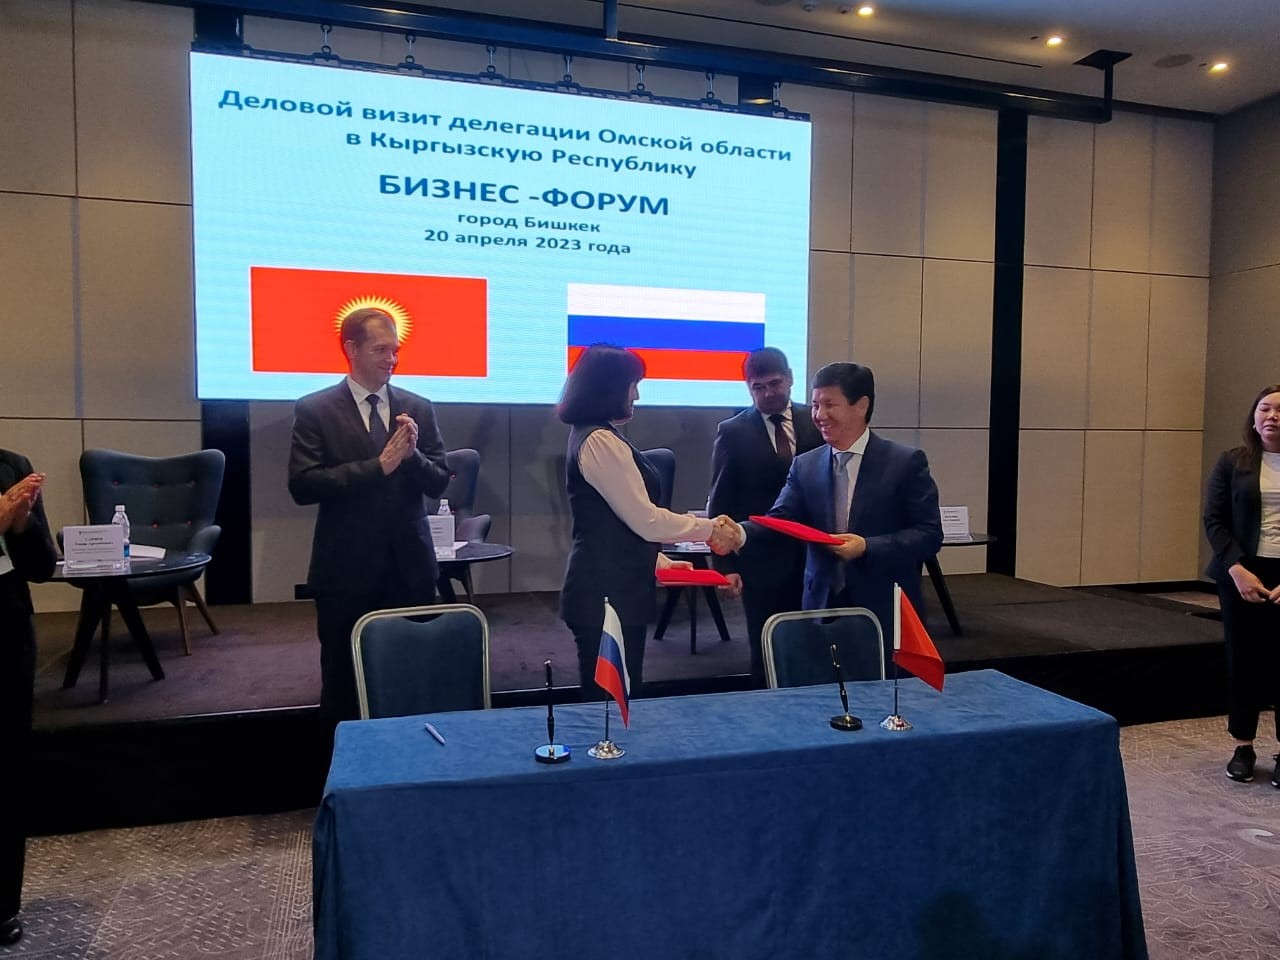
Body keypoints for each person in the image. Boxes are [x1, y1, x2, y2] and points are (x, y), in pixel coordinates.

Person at [288, 307, 451, 729]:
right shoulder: (316, 409)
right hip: (345, 571)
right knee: (344, 683)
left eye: (395, 350)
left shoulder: (418, 408)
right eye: (381, 350)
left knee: (413, 678)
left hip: (411, 569)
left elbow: (439, 481)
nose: (391, 359)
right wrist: (377, 467)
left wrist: (410, 456)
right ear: (351, 349)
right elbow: (302, 485)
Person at [716, 362, 942, 655]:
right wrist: (740, 533)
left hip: (883, 608)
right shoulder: (805, 465)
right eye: (815, 405)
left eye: (829, 405)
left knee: (882, 683)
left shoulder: (905, 462)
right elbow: (780, 520)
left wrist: (867, 546)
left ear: (861, 405)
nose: (819, 415)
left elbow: (929, 534)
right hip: (820, 606)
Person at [557, 344, 737, 696]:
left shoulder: (597, 435)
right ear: (610, 387)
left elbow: (615, 523)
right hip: (605, 596)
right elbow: (646, 520)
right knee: (610, 706)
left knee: (618, 700)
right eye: (632, 384)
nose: (636, 395)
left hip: (612, 591)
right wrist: (709, 528)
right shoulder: (599, 441)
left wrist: (659, 562)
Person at [708, 347, 823, 686]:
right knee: (767, 647)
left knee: (814, 645)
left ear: (790, 378)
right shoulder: (733, 431)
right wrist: (724, 566)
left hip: (815, 554)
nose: (768, 393)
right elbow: (721, 500)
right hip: (760, 557)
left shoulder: (816, 422)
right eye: (758, 387)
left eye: (774, 384)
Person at [1204, 383, 1280, 788]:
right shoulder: (1233, 462)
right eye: (1264, 408)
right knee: (1244, 659)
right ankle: (1243, 746)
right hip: (1241, 573)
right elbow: (1215, 520)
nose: (1272, 416)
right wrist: (1235, 568)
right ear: (1253, 417)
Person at [0, 452, 57, 947]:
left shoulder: (11, 466)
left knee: (7, 771)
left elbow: (42, 566)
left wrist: (20, 526)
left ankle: (2, 906)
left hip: (7, 633)